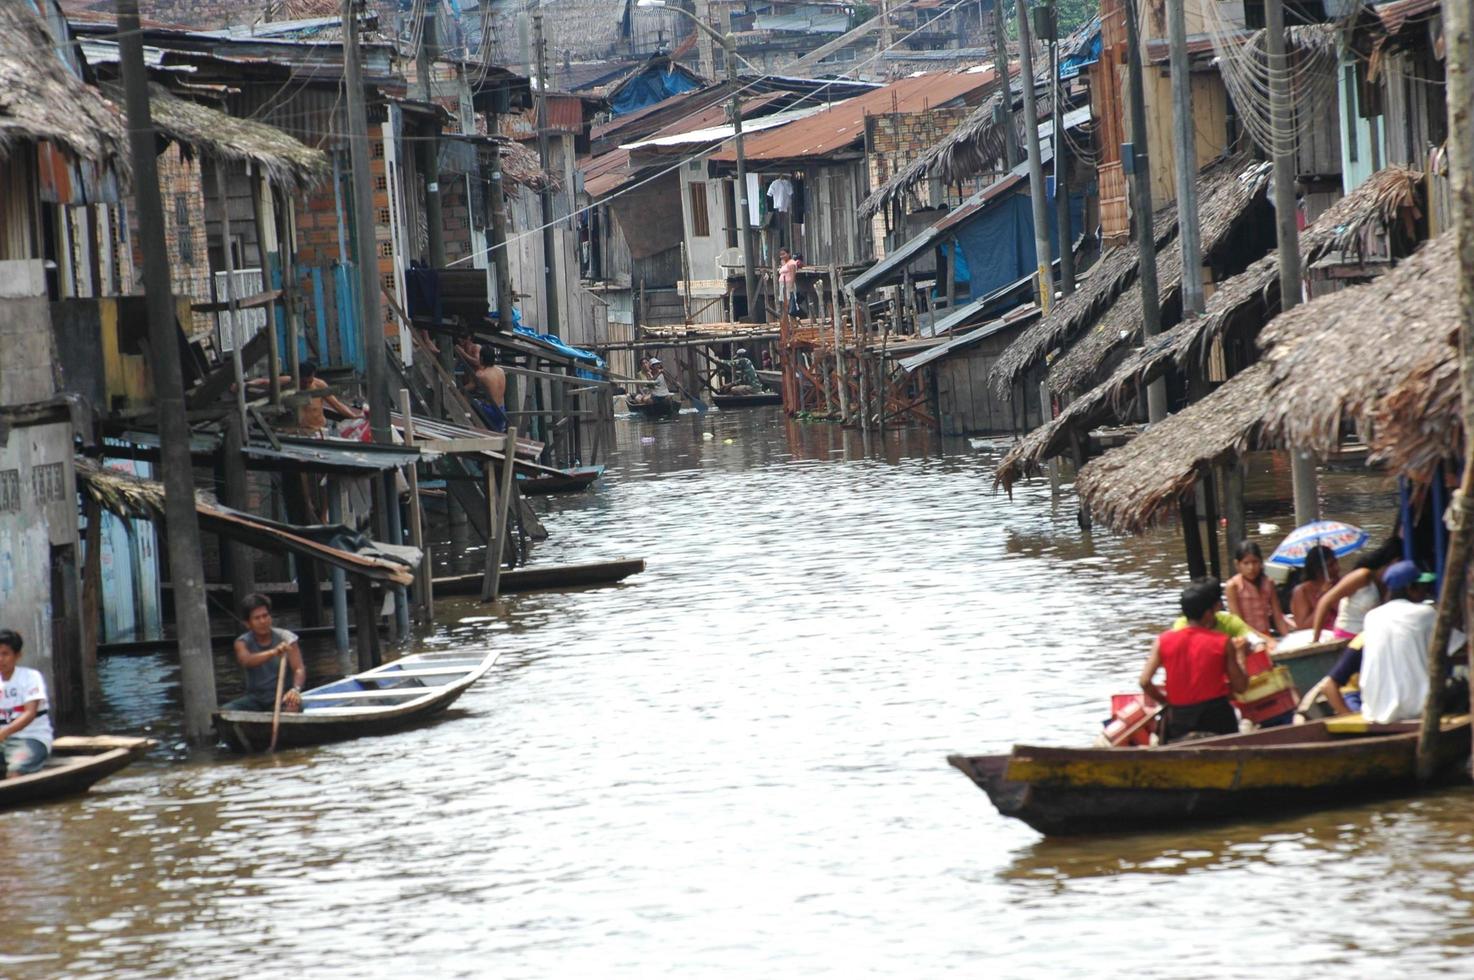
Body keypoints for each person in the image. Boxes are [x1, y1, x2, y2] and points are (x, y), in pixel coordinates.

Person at [1140, 578, 1249, 743]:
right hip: (1218, 721)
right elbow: (1241, 687)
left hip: (1179, 721)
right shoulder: (1222, 641)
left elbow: (1144, 681)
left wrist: (1166, 701)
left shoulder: (1162, 641)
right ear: (1207, 613)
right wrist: (1240, 654)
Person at [1357, 560, 1440, 724]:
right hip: (1417, 708)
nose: (1426, 591)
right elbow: (1456, 647)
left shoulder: (1372, 617)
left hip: (1374, 710)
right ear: (1410, 588)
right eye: (1422, 586)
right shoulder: (1425, 613)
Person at [1309, 535, 1404, 641]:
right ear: (1395, 561)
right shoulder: (1363, 576)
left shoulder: (1389, 584)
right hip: (1347, 638)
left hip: (1370, 640)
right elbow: (1325, 601)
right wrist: (1315, 641)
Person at [223, 595, 306, 714]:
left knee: (292, 705)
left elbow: (299, 668)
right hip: (255, 699)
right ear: (247, 623)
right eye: (257, 618)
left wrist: (295, 689)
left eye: (265, 616)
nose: (263, 621)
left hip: (282, 696)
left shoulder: (286, 638)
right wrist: (274, 652)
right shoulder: (242, 642)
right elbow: (246, 660)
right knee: (225, 711)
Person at [249, 360, 361, 437]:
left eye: (310, 381)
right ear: (297, 377)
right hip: (296, 433)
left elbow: (337, 405)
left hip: (318, 431)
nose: (307, 384)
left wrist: (354, 416)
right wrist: (245, 384)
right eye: (304, 381)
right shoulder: (289, 382)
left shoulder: (319, 385)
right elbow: (265, 382)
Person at [0, 630, 53, 778]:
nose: (0, 659)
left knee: (15, 772)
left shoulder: (30, 677)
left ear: (17, 656)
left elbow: (30, 713)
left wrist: (3, 733)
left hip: (30, 738)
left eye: (5, 654)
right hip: (3, 741)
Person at [1226, 540, 1293, 637]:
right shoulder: (1233, 586)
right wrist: (1265, 640)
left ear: (1261, 562)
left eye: (1255, 562)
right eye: (1246, 563)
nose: (1251, 568)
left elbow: (1278, 616)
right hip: (1245, 637)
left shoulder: (1268, 583)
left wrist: (1288, 639)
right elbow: (1238, 624)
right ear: (1237, 564)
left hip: (1266, 634)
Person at [1290, 544, 1341, 629]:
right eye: (1331, 565)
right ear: (1317, 569)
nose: (1337, 568)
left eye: (1336, 562)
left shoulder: (1341, 583)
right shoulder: (1302, 591)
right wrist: (1324, 598)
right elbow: (1303, 627)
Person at [466, 344, 509, 433]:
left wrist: (457, 388)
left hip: (490, 411)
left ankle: (470, 428)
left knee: (471, 401)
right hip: (501, 409)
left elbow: (470, 387)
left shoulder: (481, 374)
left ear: (481, 358)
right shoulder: (501, 371)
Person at [778, 249, 800, 316]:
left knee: (789, 301)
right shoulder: (784, 263)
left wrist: (791, 286)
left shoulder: (791, 263)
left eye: (784, 254)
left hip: (788, 284)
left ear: (788, 254)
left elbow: (793, 275)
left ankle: (790, 317)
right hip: (782, 285)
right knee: (784, 301)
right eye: (781, 255)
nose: (782, 256)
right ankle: (786, 317)